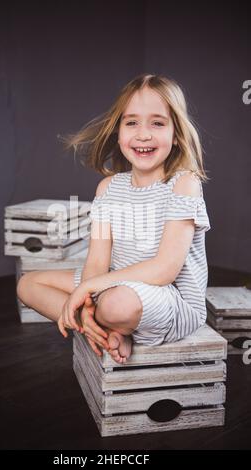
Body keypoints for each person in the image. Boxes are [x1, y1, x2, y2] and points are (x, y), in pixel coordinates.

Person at [17, 73, 211, 365]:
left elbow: (165, 270)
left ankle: (111, 322)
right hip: (112, 282)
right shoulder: (108, 188)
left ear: (176, 134)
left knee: (118, 303)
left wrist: (88, 289)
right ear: (118, 131)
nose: (143, 134)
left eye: (157, 123)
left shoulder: (183, 184)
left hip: (169, 298)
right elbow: (96, 262)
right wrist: (87, 301)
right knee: (28, 285)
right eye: (131, 122)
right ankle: (100, 328)